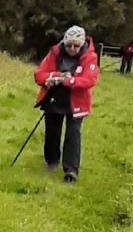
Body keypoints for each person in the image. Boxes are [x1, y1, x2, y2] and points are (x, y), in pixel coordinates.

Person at [33, 25, 100, 183]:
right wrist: (54, 76)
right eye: (68, 44)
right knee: (52, 132)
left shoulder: (90, 56)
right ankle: (51, 161)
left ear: (82, 44)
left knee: (73, 134)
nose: (71, 48)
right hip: (54, 97)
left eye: (76, 45)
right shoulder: (55, 52)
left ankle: (71, 170)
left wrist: (68, 80)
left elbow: (89, 80)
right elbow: (39, 74)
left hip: (77, 101)